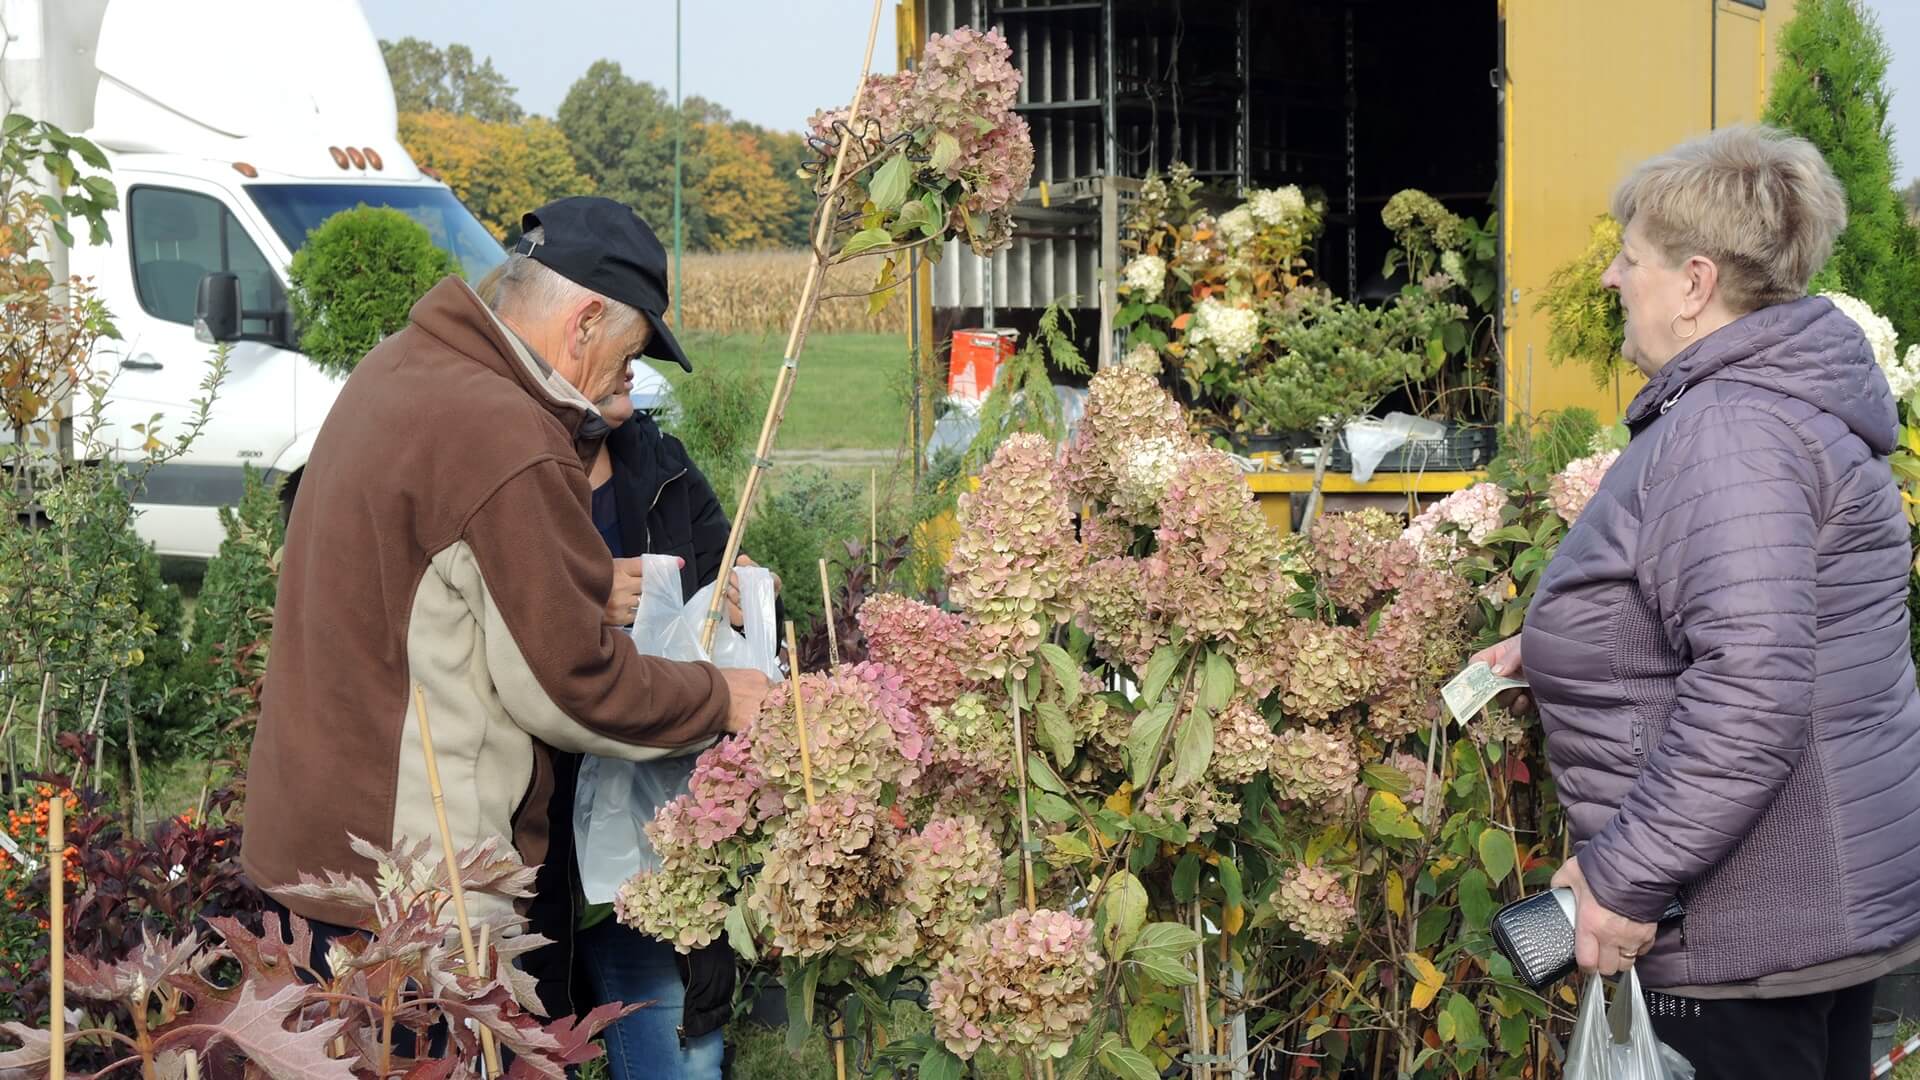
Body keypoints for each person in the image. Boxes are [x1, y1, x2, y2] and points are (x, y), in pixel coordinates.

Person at [1472, 125, 1920, 1080]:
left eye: (1629, 258)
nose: (1609, 279)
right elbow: (1756, 621)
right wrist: (1558, 643)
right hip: (1791, 919)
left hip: (1742, 935)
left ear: (1694, 283)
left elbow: (1753, 692)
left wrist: (1624, 881)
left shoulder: (1732, 433)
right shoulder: (1774, 409)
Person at [241, 197, 772, 982]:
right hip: (414, 886)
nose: (631, 378)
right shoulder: (506, 433)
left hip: (312, 855)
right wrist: (721, 698)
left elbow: (428, 598)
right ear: (584, 320)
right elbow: (570, 685)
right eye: (630, 352)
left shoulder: (401, 368)